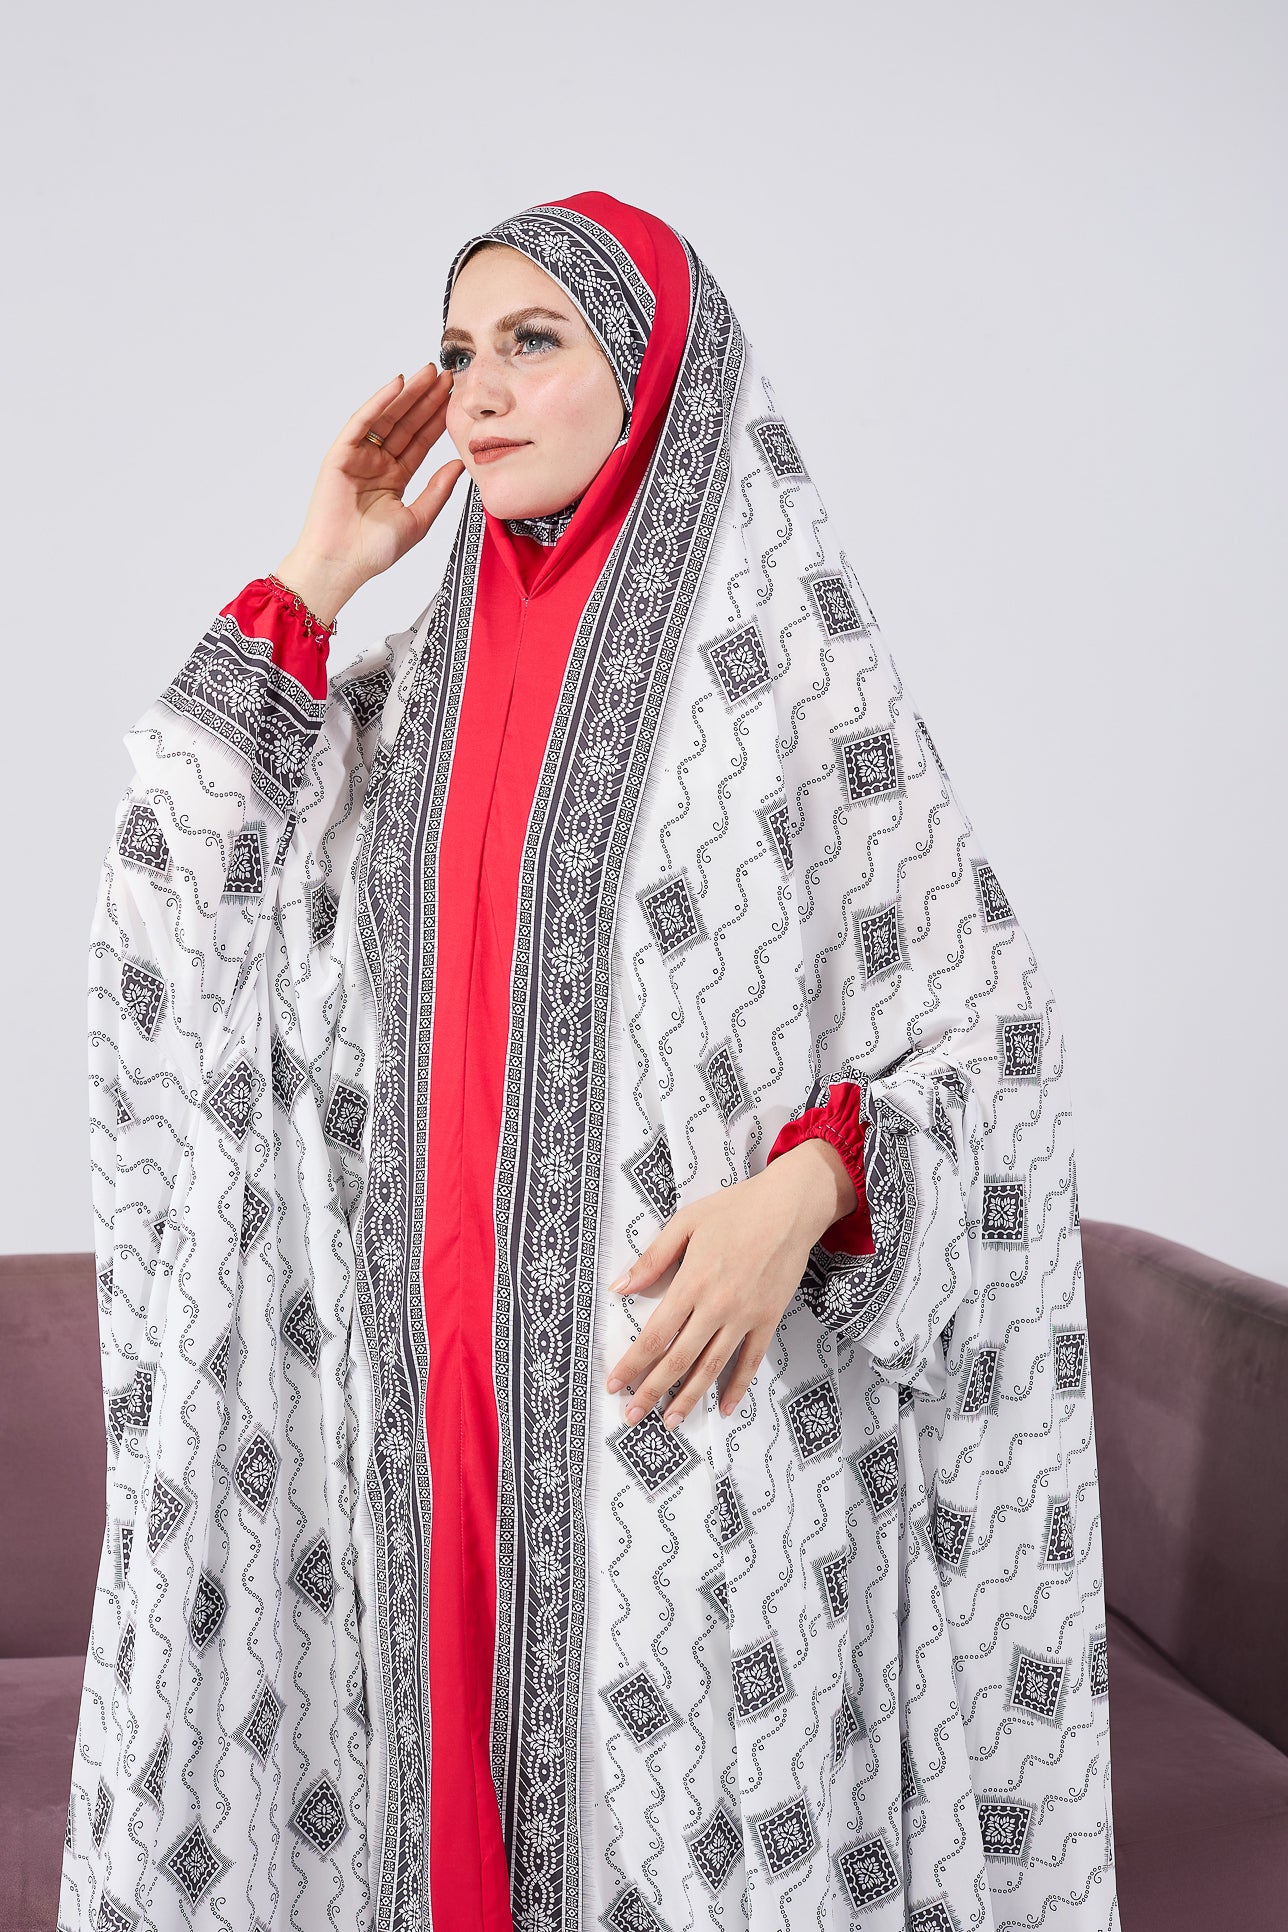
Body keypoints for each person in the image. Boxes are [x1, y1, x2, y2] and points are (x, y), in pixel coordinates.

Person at [59, 191, 1120, 1932]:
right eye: (461, 349)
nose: (477, 390)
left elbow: (988, 1041)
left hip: (684, 1449)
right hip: (397, 1448)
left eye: (535, 342)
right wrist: (319, 569)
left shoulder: (796, 687)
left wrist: (813, 1184)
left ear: (658, 378)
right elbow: (169, 926)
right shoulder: (392, 702)